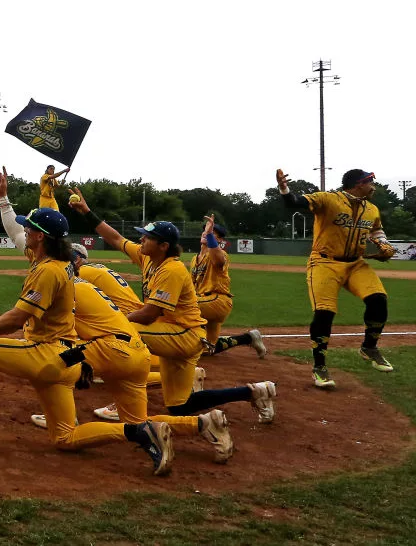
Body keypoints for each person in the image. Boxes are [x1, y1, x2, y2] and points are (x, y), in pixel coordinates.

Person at [0, 206, 175, 476]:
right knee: (64, 438)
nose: (26, 230)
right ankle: (139, 431)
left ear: (41, 237)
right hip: (66, 358)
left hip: (45, 355)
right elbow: (17, 234)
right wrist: (3, 199)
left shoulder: (48, 270)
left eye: (31, 228)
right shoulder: (60, 264)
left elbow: (17, 318)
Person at [68, 187, 278, 458]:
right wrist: (86, 211)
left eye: (147, 237)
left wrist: (112, 319)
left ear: (163, 245)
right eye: (142, 236)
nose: (141, 240)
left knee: (121, 334)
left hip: (182, 335)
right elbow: (116, 237)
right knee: (179, 406)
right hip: (172, 334)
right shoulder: (148, 257)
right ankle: (254, 392)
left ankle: (118, 394)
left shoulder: (172, 269)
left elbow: (148, 314)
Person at [276, 168, 396, 388]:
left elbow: (376, 230)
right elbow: (293, 203)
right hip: (325, 261)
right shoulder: (328, 199)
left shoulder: (371, 209)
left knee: (378, 299)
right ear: (359, 183)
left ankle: (369, 347)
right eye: (371, 182)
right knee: (324, 312)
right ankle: (319, 366)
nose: (374, 187)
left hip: (355, 263)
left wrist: (384, 244)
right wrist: (284, 189)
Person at [191, 214, 267, 359]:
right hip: (202, 303)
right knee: (207, 349)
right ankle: (249, 338)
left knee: (176, 306)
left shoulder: (221, 254)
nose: (206, 233)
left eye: (212, 233)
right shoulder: (195, 259)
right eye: (205, 231)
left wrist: (210, 237)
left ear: (219, 240)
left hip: (217, 301)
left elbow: (218, 261)